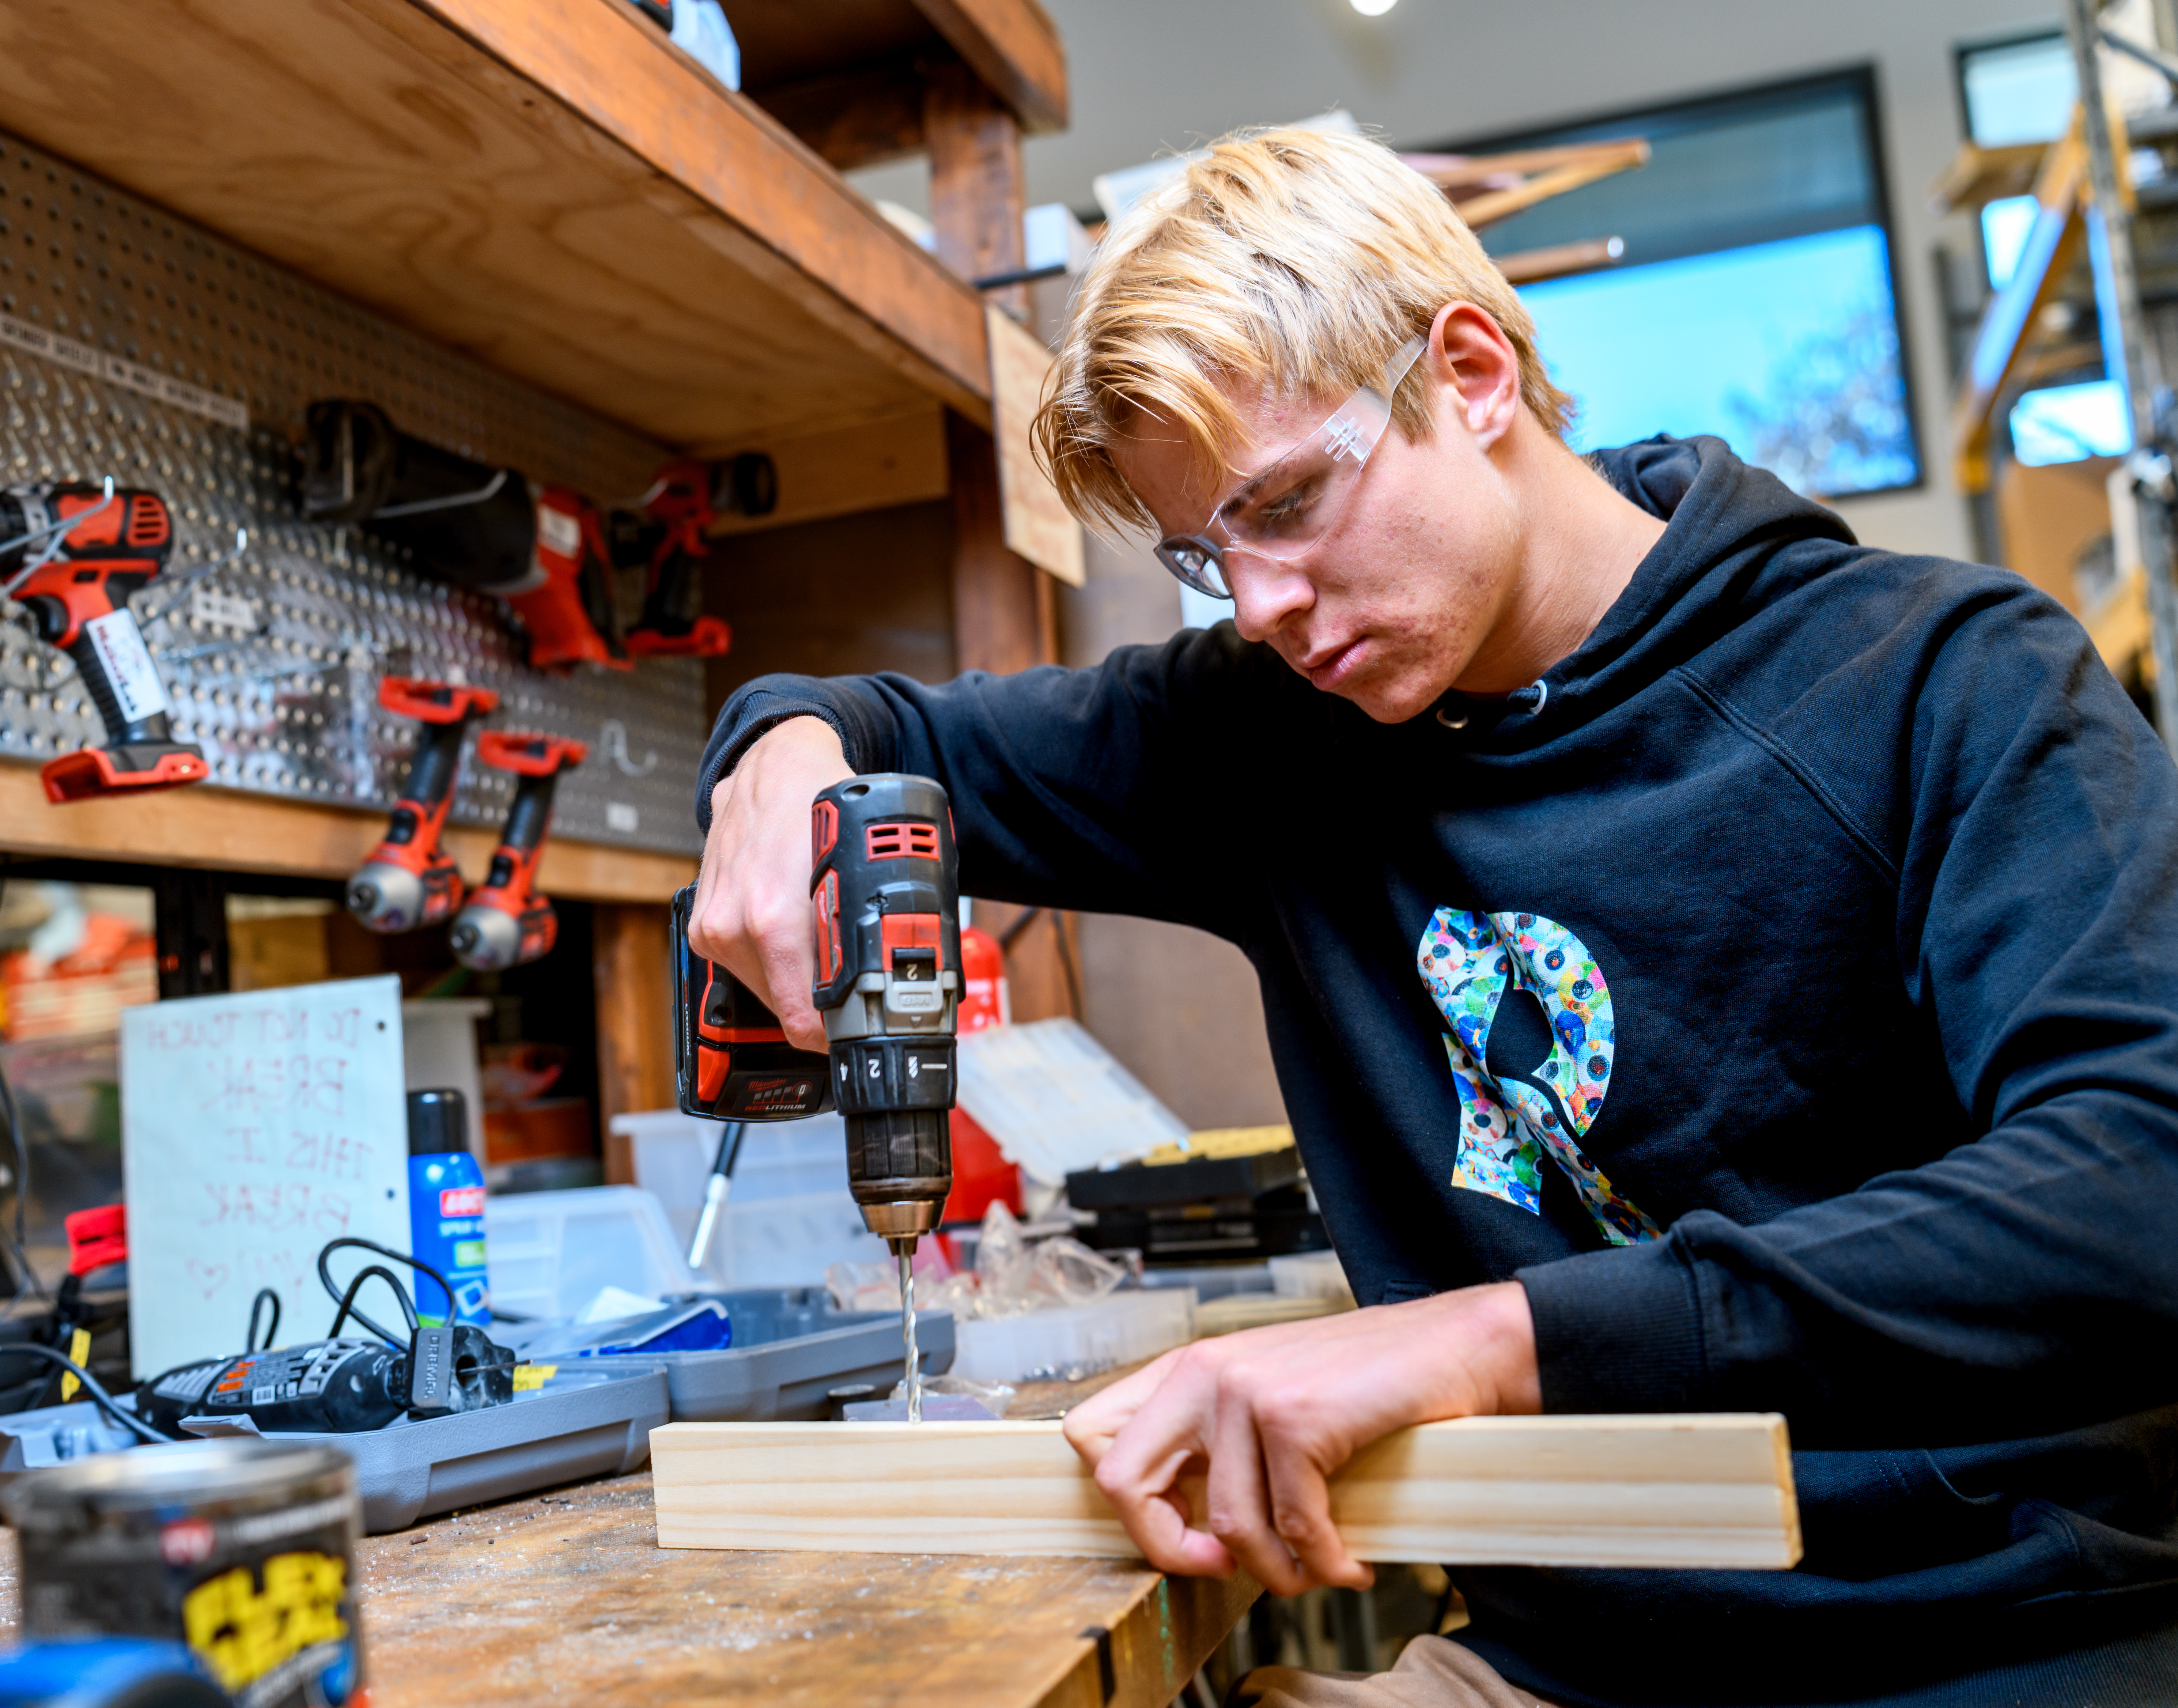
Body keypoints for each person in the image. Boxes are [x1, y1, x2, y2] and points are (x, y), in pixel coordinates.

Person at [685, 128, 2178, 1707]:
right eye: (1205, 551)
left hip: (2002, 1634)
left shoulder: (1942, 680)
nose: (1258, 603)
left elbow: (2140, 1182)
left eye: (1286, 501)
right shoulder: (1267, 731)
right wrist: (778, 759)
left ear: (1470, 374)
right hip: (1571, 1669)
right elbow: (881, 731)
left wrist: (1491, 1340)